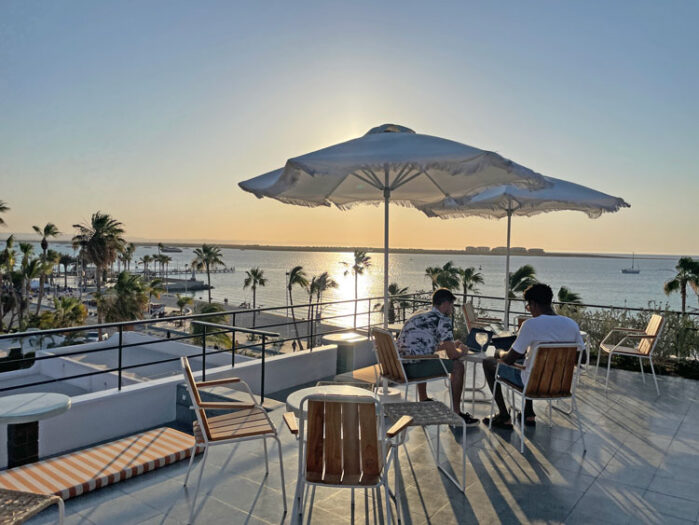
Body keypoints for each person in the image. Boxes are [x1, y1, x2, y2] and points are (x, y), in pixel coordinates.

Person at [482, 283, 584, 429]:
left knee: (489, 362)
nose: (529, 310)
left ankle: (504, 416)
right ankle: (528, 412)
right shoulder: (571, 324)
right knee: (529, 362)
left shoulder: (531, 325)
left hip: (532, 385)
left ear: (534, 304)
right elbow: (583, 358)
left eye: (528, 306)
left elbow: (509, 359)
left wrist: (499, 353)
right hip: (560, 385)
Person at [397, 288, 478, 426]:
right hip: (412, 369)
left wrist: (450, 345)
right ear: (445, 304)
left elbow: (423, 346)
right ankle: (457, 414)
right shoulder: (443, 319)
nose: (452, 309)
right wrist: (462, 350)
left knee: (427, 356)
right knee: (458, 366)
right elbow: (453, 355)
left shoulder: (419, 315)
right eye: (452, 305)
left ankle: (424, 399)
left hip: (400, 365)